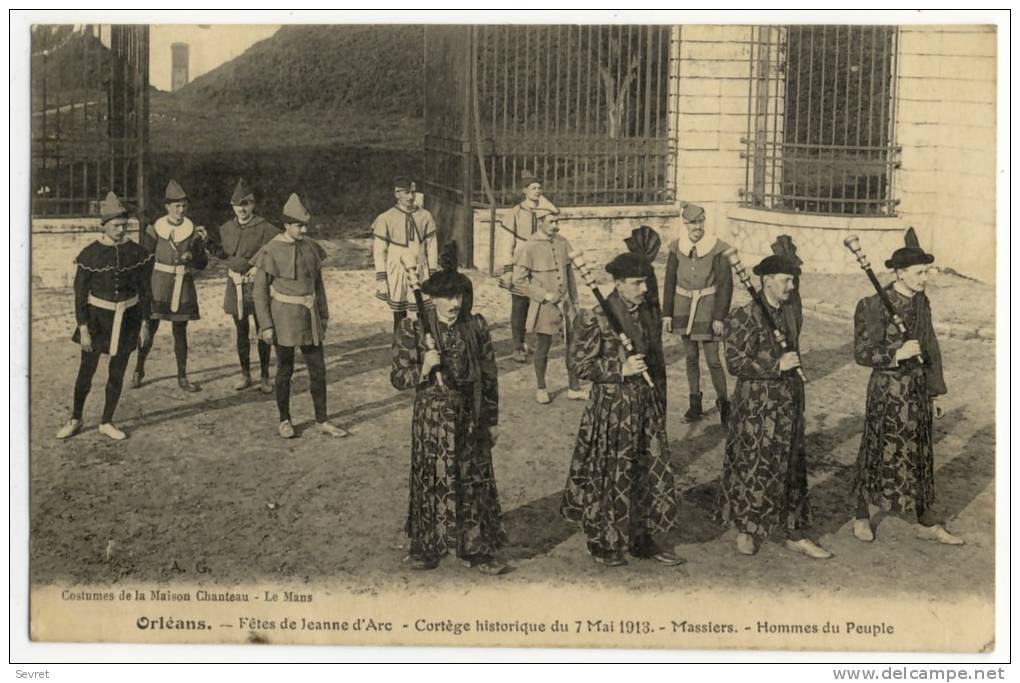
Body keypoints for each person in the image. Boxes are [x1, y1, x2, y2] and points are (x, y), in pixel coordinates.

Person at [390, 241, 507, 575]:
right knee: (431, 477)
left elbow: (489, 375)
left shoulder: (476, 326)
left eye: (458, 296)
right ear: (433, 298)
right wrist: (424, 368)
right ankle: (426, 546)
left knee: (472, 478)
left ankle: (475, 548)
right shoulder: (414, 328)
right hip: (432, 418)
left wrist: (492, 420)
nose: (453, 304)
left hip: (471, 413)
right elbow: (398, 377)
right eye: (446, 297)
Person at [560, 252, 683, 567]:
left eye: (645, 282)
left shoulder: (647, 313)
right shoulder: (597, 316)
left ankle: (641, 538)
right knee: (611, 474)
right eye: (636, 283)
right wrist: (619, 367)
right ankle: (604, 541)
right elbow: (578, 364)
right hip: (613, 408)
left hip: (645, 406)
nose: (644, 289)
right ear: (618, 284)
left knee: (646, 471)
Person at [717, 254, 832, 559]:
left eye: (793, 280)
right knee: (754, 463)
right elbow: (735, 362)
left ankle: (794, 531)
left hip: (787, 403)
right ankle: (747, 527)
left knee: (792, 466)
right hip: (756, 405)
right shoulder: (744, 315)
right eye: (785, 280)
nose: (791, 286)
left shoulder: (790, 312)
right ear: (767, 280)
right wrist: (775, 364)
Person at [850, 228, 960, 545]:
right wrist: (895, 354)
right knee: (875, 450)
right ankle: (861, 513)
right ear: (900, 273)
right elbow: (861, 352)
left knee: (921, 452)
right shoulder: (872, 305)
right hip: (887, 390)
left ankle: (925, 520)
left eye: (926, 271)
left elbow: (931, 346)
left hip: (917, 389)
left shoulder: (922, 302)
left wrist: (936, 390)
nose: (925, 278)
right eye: (919, 272)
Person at [57, 192, 152, 441]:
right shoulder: (90, 254)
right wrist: (84, 329)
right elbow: (80, 296)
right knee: (86, 372)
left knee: (117, 372)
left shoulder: (137, 252)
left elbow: (145, 292)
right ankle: (76, 418)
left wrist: (144, 324)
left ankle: (107, 421)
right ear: (104, 226)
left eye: (124, 225)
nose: (121, 230)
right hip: (97, 322)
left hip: (128, 320)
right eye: (116, 226)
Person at [252, 193, 348, 439]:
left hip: (310, 317)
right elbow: (260, 292)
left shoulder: (311, 247)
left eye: (306, 225)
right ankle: (284, 420)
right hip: (283, 318)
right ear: (286, 225)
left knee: (319, 369)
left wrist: (323, 315)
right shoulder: (270, 251)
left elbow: (319, 285)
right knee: (285, 370)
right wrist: (266, 325)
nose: (304, 229)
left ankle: (322, 419)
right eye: (299, 225)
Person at [132, 179, 208, 393]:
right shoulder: (154, 229)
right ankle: (138, 369)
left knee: (180, 331)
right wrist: (144, 288)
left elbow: (202, 264)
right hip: (158, 284)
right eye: (176, 206)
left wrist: (194, 254)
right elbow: (144, 259)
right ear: (167, 207)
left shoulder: (193, 231)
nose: (181, 210)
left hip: (182, 285)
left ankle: (182, 377)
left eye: (184, 206)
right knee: (150, 328)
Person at [206, 178, 281, 393]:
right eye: (238, 205)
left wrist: (261, 267)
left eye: (246, 204)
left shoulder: (265, 227)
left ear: (253, 205)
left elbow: (276, 250)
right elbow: (224, 254)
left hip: (258, 287)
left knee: (263, 330)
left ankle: (265, 376)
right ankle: (245, 374)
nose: (242, 209)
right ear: (233, 207)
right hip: (235, 286)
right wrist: (207, 244)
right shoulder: (227, 228)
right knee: (241, 332)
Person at [662, 203, 733, 424]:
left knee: (713, 360)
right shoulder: (676, 247)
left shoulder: (718, 248)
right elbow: (669, 281)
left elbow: (725, 285)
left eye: (700, 221)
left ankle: (724, 404)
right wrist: (667, 314)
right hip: (683, 307)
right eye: (692, 222)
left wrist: (719, 316)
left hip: (708, 309)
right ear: (685, 224)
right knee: (691, 357)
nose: (697, 227)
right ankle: (695, 404)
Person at [511, 212, 587, 404]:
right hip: (545, 305)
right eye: (551, 222)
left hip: (566, 302)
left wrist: (575, 301)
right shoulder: (528, 246)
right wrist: (544, 295)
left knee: (573, 344)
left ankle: (574, 387)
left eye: (557, 221)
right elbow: (518, 281)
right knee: (543, 347)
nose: (555, 225)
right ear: (539, 222)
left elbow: (570, 274)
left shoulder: (562, 242)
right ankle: (541, 387)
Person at [498, 170, 559, 363]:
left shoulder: (544, 211)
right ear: (524, 190)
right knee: (520, 306)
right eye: (533, 188)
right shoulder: (515, 213)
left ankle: (530, 342)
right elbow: (506, 244)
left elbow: (555, 212)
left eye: (539, 188)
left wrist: (541, 201)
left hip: (539, 265)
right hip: (521, 265)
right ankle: (517, 346)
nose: (537, 191)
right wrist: (508, 270)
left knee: (538, 304)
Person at [372, 176, 439, 336]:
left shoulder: (425, 216)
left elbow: (432, 245)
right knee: (400, 311)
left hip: (419, 266)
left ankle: (425, 344)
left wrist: (433, 273)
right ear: (397, 194)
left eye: (413, 192)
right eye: (406, 192)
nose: (410, 197)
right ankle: (400, 345)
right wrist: (381, 278)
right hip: (397, 268)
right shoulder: (386, 218)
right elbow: (379, 250)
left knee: (422, 308)